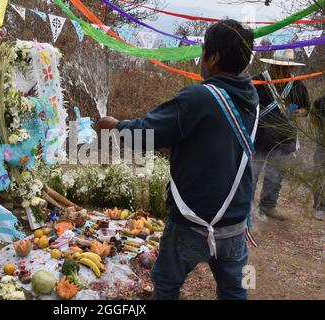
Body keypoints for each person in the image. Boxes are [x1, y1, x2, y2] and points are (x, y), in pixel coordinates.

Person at [99, 20, 257, 300]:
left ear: (214, 57)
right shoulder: (251, 100)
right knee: (235, 291)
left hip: (192, 224)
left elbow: (146, 135)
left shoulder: (199, 97)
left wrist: (114, 125)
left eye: (204, 51)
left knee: (166, 284)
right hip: (235, 225)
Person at [252, 49, 310, 222]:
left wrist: (299, 112)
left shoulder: (297, 85)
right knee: (252, 174)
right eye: (279, 68)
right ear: (272, 65)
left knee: (275, 175)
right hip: (259, 138)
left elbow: (306, 108)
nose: (284, 72)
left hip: (284, 139)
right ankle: (247, 207)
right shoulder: (257, 81)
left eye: (287, 69)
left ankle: (268, 206)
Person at [311, 95, 325, 221]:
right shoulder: (320, 101)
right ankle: (320, 207)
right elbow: (313, 119)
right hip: (322, 146)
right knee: (319, 175)